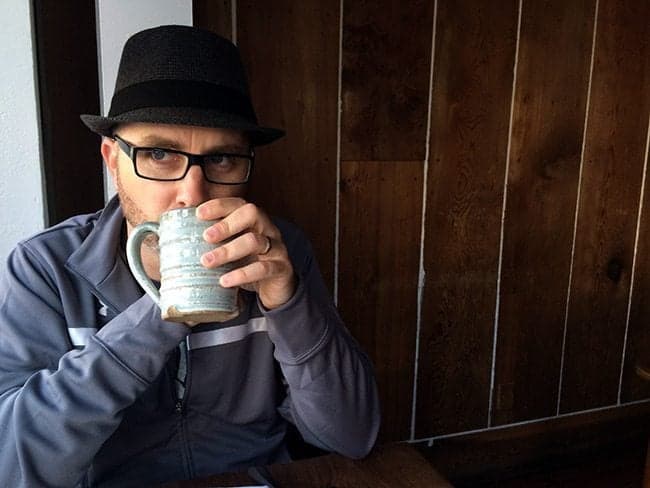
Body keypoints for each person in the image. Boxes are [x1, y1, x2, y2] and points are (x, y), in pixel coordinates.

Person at [0, 25, 380, 487]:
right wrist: (162, 313)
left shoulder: (282, 253)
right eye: (159, 153)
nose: (193, 194)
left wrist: (289, 304)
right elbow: (14, 465)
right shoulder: (45, 270)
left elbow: (352, 435)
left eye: (221, 160)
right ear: (112, 159)